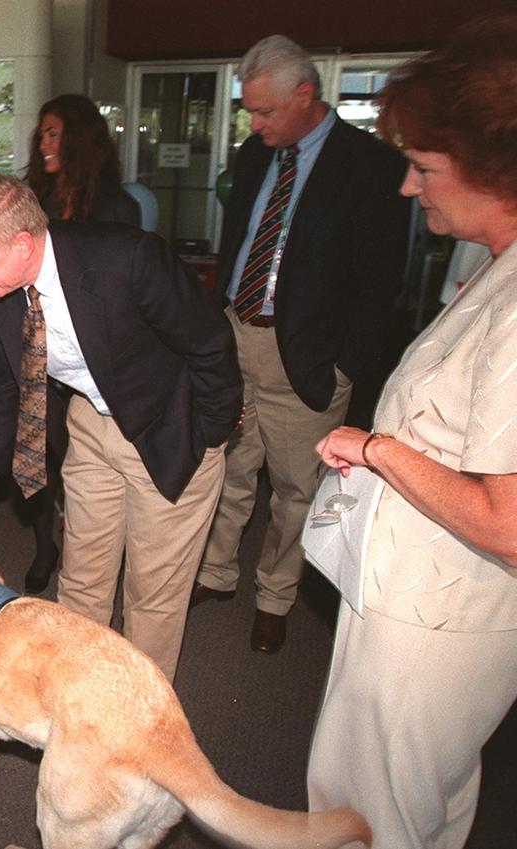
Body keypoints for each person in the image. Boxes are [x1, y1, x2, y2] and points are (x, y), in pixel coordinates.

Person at [306, 19, 517, 849]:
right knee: (428, 802)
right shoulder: (493, 263)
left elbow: (507, 518)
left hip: (437, 621)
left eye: (426, 167)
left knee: (365, 812)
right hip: (438, 601)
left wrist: (376, 449)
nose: (407, 187)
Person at [0, 174, 242, 681]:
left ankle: (137, 724)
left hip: (168, 426)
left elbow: (211, 342)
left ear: (23, 243)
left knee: (152, 595)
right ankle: (78, 695)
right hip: (90, 425)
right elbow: (1, 384)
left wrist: (211, 432)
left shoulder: (126, 259)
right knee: (82, 580)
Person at [192, 34, 410, 654]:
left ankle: (275, 596)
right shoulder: (255, 154)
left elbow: (381, 287)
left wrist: (345, 367)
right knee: (232, 466)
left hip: (309, 355)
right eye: (249, 112)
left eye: (265, 111)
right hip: (239, 336)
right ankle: (216, 572)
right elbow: (235, 244)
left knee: (295, 486)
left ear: (305, 95)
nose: (254, 124)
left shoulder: (372, 166)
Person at [19, 93, 141, 594]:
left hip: (93, 358)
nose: (44, 142)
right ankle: (45, 545)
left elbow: (125, 290)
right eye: (42, 133)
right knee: (40, 454)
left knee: (85, 461)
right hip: (39, 350)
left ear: (79, 139)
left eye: (54, 132)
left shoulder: (118, 206)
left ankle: (84, 545)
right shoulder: (31, 198)